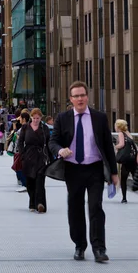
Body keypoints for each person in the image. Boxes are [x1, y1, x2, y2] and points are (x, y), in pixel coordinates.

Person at [48, 81, 118, 263]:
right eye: (76, 96)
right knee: (75, 208)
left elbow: (108, 147)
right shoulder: (62, 118)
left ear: (87, 97)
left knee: (96, 207)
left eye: (82, 95)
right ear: (71, 99)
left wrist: (114, 172)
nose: (80, 99)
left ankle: (99, 248)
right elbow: (53, 141)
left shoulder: (99, 118)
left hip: (94, 169)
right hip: (73, 170)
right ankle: (80, 245)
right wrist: (59, 150)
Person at [18, 108, 50, 212]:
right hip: (28, 156)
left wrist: (50, 157)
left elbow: (49, 143)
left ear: (41, 118)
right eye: (34, 118)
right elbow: (20, 141)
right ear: (31, 117)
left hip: (41, 156)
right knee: (30, 181)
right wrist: (22, 154)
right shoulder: (25, 128)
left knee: (40, 181)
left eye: (38, 118)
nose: (36, 120)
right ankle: (32, 203)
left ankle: (40, 204)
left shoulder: (44, 128)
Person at [114, 119, 137, 203]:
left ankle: (124, 198)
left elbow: (122, 144)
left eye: (116, 125)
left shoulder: (121, 133)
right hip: (132, 159)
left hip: (126, 160)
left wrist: (115, 146)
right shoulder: (128, 133)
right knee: (135, 176)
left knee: (124, 178)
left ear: (119, 126)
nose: (115, 127)